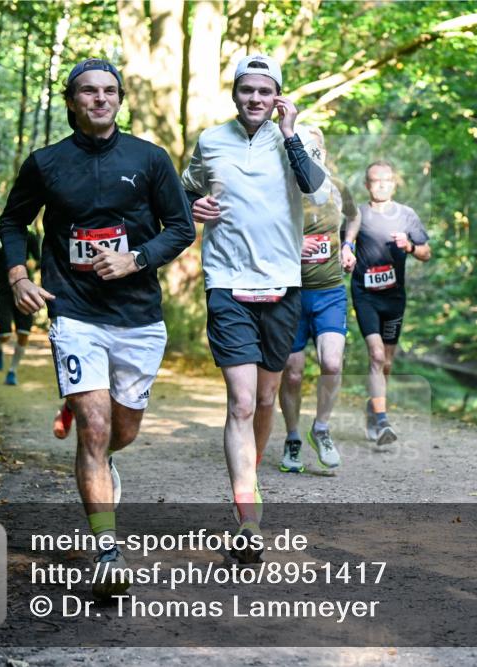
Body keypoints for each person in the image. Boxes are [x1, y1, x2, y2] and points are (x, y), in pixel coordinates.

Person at [0, 58, 195, 596]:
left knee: (120, 432)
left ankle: (103, 460)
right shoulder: (46, 163)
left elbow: (181, 227)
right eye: (88, 92)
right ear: (71, 100)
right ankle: (107, 550)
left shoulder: (150, 159)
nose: (100, 99)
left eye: (109, 91)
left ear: (120, 98)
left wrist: (138, 258)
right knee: (95, 426)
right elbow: (12, 221)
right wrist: (19, 276)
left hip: (137, 316)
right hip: (75, 311)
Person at [181, 54, 328, 561]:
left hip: (283, 284)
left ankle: (251, 481)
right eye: (247, 90)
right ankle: (248, 514)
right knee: (241, 403)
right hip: (226, 282)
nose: (256, 99)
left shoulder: (298, 139)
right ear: (235, 93)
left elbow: (312, 186)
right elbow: (184, 191)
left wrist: (289, 132)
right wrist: (192, 207)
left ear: (278, 96)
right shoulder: (210, 140)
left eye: (265, 91)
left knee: (267, 401)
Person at [277, 126, 358, 473]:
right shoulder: (280, 189)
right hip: (290, 295)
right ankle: (293, 437)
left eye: (317, 149)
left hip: (329, 292)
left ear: (323, 152)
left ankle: (321, 429)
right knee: (292, 374)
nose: (312, 154)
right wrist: (293, 247)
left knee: (332, 364)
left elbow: (354, 216)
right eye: (304, 148)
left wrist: (348, 245)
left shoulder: (337, 188)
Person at [344, 160, 431, 446]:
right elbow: (344, 244)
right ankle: (383, 422)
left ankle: (374, 407)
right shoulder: (357, 214)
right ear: (367, 185)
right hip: (365, 295)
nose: (381, 184)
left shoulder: (407, 215)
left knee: (388, 362)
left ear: (394, 183)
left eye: (386, 180)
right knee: (377, 356)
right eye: (375, 180)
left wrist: (409, 246)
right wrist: (346, 253)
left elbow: (426, 252)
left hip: (394, 298)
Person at [0, 225, 41, 385]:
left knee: (23, 333)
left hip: (24, 288)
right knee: (5, 333)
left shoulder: (30, 237)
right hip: (1, 288)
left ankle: (12, 371)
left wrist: (34, 264)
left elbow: (38, 259)